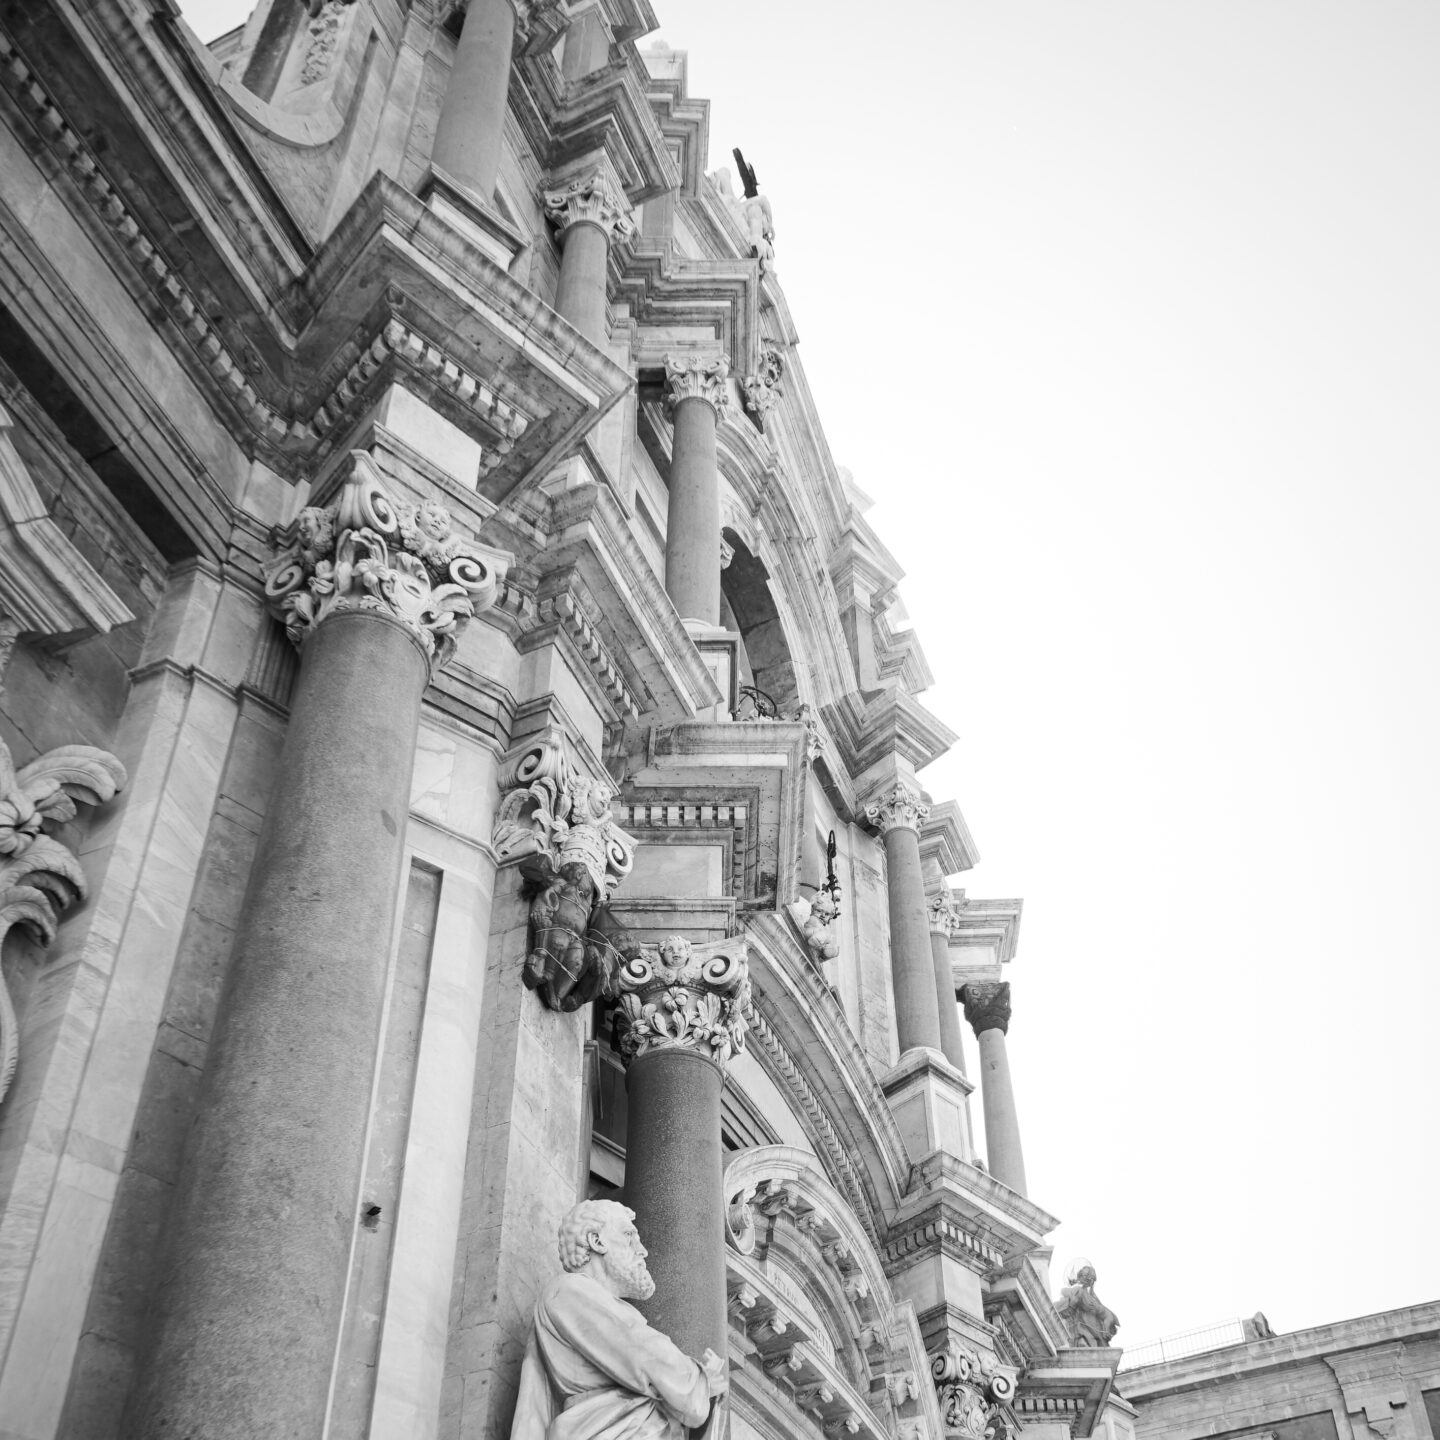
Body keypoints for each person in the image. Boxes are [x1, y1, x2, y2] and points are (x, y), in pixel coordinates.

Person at [511, 1201, 729, 1440]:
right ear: (597, 1241)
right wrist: (696, 1381)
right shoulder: (569, 1291)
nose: (642, 1250)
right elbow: (644, 1356)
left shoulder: (595, 1302)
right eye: (629, 1236)